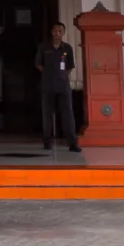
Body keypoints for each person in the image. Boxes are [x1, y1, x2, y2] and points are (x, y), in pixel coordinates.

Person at [35, 21, 79, 152]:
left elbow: (70, 66)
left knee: (68, 114)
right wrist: (48, 74)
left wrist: (61, 75)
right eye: (55, 31)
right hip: (47, 85)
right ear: (51, 32)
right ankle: (47, 142)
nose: (57, 33)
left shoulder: (67, 48)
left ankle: (72, 143)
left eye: (60, 31)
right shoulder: (44, 47)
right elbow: (38, 63)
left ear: (63, 33)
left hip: (63, 85)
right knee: (47, 114)